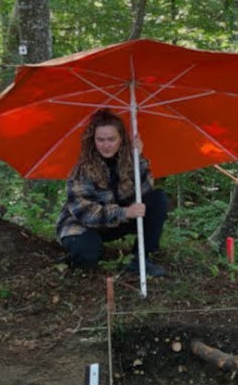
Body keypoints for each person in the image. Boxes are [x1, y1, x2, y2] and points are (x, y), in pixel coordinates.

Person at [56, 110, 170, 277]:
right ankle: (75, 256)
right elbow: (84, 213)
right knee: (89, 255)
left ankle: (140, 259)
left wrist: (138, 158)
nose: (106, 145)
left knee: (158, 199)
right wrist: (125, 212)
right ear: (93, 141)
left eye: (111, 139)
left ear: (121, 139)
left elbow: (146, 191)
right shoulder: (82, 170)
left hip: (112, 223)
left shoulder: (128, 160)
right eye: (100, 140)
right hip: (80, 225)